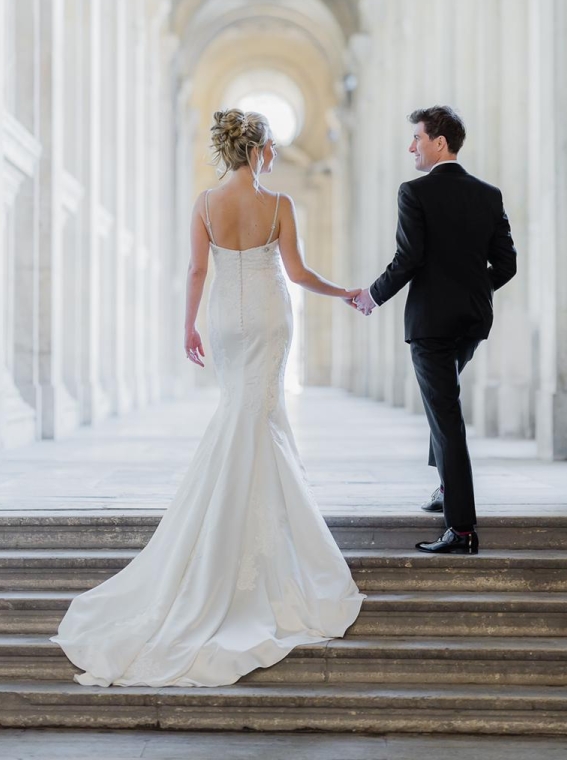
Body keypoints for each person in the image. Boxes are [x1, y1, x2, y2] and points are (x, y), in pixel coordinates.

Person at [52, 108, 364, 686]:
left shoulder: (204, 202)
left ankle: (215, 536)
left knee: (238, 415)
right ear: (258, 150)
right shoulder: (279, 205)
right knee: (260, 417)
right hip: (270, 315)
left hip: (225, 317)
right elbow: (295, 272)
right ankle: (261, 550)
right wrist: (341, 291)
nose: (270, 156)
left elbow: (197, 270)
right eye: (268, 148)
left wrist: (188, 326)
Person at [351, 105, 517, 555]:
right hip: (472, 319)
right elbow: (506, 265)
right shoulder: (489, 194)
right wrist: (471, 288)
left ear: (438, 143)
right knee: (442, 397)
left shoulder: (414, 192)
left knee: (446, 417)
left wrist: (371, 295)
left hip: (431, 324)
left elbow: (409, 259)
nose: (412, 147)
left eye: (417, 139)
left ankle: (461, 529)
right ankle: (447, 489)